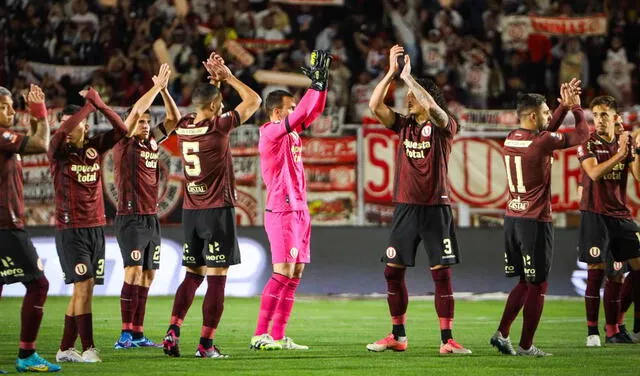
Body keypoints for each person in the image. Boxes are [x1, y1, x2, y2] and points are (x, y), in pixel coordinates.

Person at [365, 45, 471, 354]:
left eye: (412, 97)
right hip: (406, 207)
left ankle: (447, 339)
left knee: (441, 274)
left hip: (436, 209)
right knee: (392, 271)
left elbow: (436, 113)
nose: (407, 99)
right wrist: (392, 73)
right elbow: (375, 105)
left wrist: (410, 78)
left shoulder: (446, 125)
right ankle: (398, 335)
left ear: (426, 98)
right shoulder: (405, 126)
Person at [161, 52, 261, 358]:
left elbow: (169, 120)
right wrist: (229, 77)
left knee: (193, 275)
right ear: (216, 106)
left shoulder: (185, 124)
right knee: (217, 278)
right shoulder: (219, 126)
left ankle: (173, 330)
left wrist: (166, 92)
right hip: (217, 210)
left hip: (191, 211)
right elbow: (255, 100)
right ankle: (205, 344)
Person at [490, 79, 589, 357]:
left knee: (524, 281)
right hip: (536, 221)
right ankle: (525, 346)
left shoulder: (511, 136)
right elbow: (581, 136)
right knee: (538, 284)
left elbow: (545, 131)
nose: (549, 117)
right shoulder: (541, 141)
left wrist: (561, 106)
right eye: (545, 112)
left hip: (513, 218)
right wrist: (577, 110)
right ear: (533, 116)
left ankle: (502, 333)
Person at [250, 50, 332, 351]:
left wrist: (321, 87)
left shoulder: (292, 133)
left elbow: (312, 113)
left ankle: (279, 336)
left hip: (299, 209)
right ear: (276, 112)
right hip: (282, 210)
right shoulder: (271, 132)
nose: (295, 111)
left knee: (295, 275)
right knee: (281, 272)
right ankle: (260, 334)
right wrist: (313, 86)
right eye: (290, 107)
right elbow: (301, 114)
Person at [51, 87, 128, 363]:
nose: (66, 130)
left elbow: (122, 130)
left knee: (84, 288)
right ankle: (89, 348)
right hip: (70, 230)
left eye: (71, 125)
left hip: (96, 227)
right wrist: (87, 108)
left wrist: (100, 105)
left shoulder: (94, 147)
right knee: (83, 285)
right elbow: (62, 132)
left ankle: (64, 348)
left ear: (83, 126)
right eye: (63, 125)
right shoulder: (59, 150)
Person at [113, 64, 180, 349]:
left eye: (145, 122)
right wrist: (153, 88)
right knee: (132, 272)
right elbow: (134, 113)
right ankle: (125, 333)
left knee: (149, 275)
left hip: (151, 217)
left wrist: (165, 92)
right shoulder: (124, 141)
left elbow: (174, 119)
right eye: (139, 121)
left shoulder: (151, 141)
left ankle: (138, 333)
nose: (143, 125)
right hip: (130, 216)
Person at [0, 84, 60, 372]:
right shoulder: (1, 136)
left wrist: (36, 119)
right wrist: (39, 112)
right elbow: (39, 145)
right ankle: (26, 354)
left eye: (13, 106)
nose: (11, 111)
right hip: (5, 227)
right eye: (4, 106)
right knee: (39, 284)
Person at [577, 95, 640, 346]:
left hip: (620, 214)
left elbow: (637, 175)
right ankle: (592, 332)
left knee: (623, 273)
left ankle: (616, 329)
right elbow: (593, 173)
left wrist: (634, 149)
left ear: (616, 118)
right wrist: (621, 153)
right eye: (596, 115)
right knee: (596, 271)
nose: (599, 120)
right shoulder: (588, 143)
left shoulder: (624, 144)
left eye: (604, 115)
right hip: (595, 214)